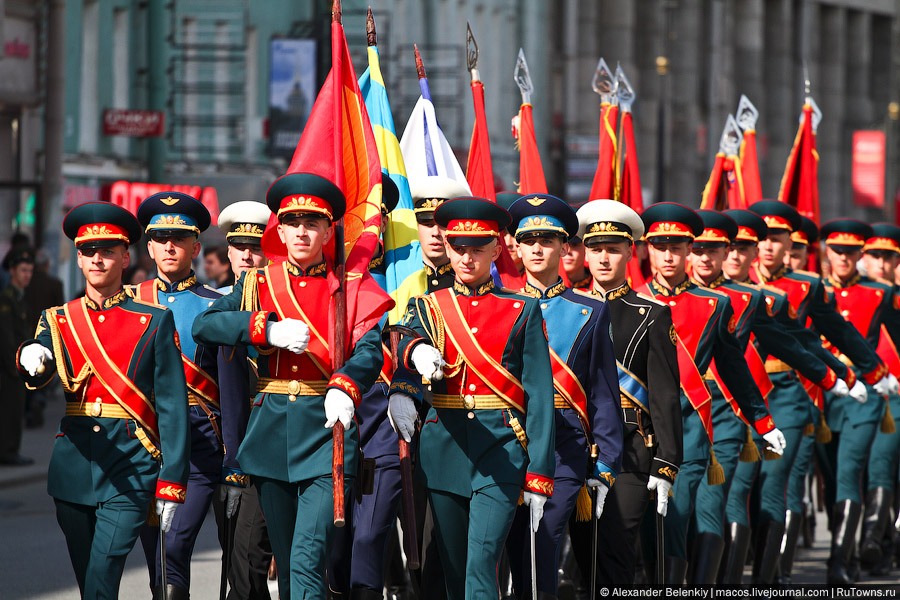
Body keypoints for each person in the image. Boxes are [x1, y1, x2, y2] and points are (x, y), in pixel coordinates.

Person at [192, 172, 390, 599]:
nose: (302, 231)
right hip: (269, 437)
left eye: (313, 222)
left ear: (328, 230)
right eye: (293, 222)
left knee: (305, 557)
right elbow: (203, 325)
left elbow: (371, 349)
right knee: (284, 558)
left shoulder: (350, 287)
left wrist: (344, 384)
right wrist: (261, 329)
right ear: (278, 229)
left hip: (325, 434)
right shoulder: (257, 284)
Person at [16, 202, 189, 598]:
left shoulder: (154, 320)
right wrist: (33, 357)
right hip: (74, 466)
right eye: (89, 251)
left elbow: (172, 406)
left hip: (131, 463)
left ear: (126, 257)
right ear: (78, 258)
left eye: (108, 250)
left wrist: (172, 480)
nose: (98, 258)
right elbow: (41, 363)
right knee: (90, 580)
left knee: (104, 569)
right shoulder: (58, 319)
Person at [387, 197, 555, 600]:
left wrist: (540, 473)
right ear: (446, 246)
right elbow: (401, 338)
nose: (467, 257)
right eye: (458, 247)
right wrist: (413, 357)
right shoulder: (428, 305)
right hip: (444, 450)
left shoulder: (522, 309)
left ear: (497, 249)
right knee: (454, 568)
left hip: (500, 450)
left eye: (477, 248)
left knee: (482, 565)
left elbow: (539, 395)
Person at [689, 210, 850, 584]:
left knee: (759, 487)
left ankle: (761, 581)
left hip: (765, 399)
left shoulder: (765, 298)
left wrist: (836, 375)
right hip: (701, 401)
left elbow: (797, 343)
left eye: (744, 247)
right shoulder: (689, 296)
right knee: (696, 499)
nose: (732, 256)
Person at [638, 202, 785, 584]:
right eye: (660, 246)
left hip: (689, 427)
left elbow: (734, 366)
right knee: (641, 523)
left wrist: (762, 421)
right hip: (636, 426)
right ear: (647, 249)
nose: (668, 255)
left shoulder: (715, 305)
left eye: (677, 247)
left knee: (678, 511)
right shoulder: (629, 300)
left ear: (687, 249)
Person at [503, 194, 622, 598]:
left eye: (547, 240)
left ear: (564, 247)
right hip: (508, 439)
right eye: (529, 239)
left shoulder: (590, 309)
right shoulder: (501, 305)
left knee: (543, 542)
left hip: (565, 444)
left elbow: (603, 391)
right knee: (509, 548)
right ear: (516, 247)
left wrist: (606, 459)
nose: (537, 248)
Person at [134, 192, 250, 599]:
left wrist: (233, 460)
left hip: (202, 443)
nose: (169, 246)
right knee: (158, 562)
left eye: (179, 239)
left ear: (195, 247)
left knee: (175, 543)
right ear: (148, 246)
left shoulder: (217, 306)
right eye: (161, 238)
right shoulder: (131, 305)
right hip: (147, 442)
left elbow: (234, 394)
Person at [570, 199, 682, 587]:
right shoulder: (571, 308)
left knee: (616, 555)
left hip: (632, 452)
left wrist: (666, 462)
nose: (603, 258)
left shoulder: (651, 313)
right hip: (577, 448)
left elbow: (665, 394)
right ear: (584, 253)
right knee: (583, 559)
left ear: (630, 253)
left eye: (613, 250)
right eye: (596, 249)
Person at [815, 218, 900, 584]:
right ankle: (847, 551)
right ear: (827, 253)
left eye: (852, 251)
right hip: (821, 395)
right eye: (838, 250)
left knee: (852, 471)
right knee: (831, 478)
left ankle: (839, 560)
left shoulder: (881, 293)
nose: (845, 257)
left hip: (863, 393)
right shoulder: (811, 291)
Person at [215, 199, 274, 600]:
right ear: (230, 253)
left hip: (279, 444)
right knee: (240, 562)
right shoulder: (215, 307)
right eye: (241, 248)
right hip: (230, 451)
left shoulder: (283, 303)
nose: (249, 257)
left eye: (257, 248)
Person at [859, 223, 900, 575]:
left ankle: (876, 538)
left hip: (895, 396)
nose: (882, 264)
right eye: (875, 256)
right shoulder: (854, 297)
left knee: (884, 464)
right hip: (859, 395)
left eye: (889, 257)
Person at [23, 248, 66, 428]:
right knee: (44, 368)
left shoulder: (27, 282)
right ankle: (39, 399)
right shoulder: (54, 283)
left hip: (25, 332)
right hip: (46, 333)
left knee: (27, 370)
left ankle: (29, 405)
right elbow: (60, 311)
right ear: (47, 266)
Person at [0, 247, 35, 465]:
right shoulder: (7, 298)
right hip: (9, 368)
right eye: (23, 270)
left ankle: (12, 448)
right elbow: (6, 336)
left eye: (30, 271)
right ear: (12, 271)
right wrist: (14, 368)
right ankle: (7, 450)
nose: (27, 275)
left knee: (16, 408)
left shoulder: (20, 297)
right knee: (9, 410)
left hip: (19, 365)